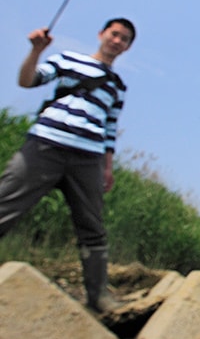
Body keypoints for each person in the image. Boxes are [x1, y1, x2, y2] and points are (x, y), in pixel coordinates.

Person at [0, 17, 135, 313]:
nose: (117, 41)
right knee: (5, 204)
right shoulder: (67, 60)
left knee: (93, 226)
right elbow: (28, 80)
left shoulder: (118, 86)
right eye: (114, 34)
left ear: (127, 48)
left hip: (88, 157)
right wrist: (36, 50)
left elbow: (110, 129)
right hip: (45, 145)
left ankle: (99, 296)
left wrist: (107, 167)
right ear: (101, 34)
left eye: (124, 39)